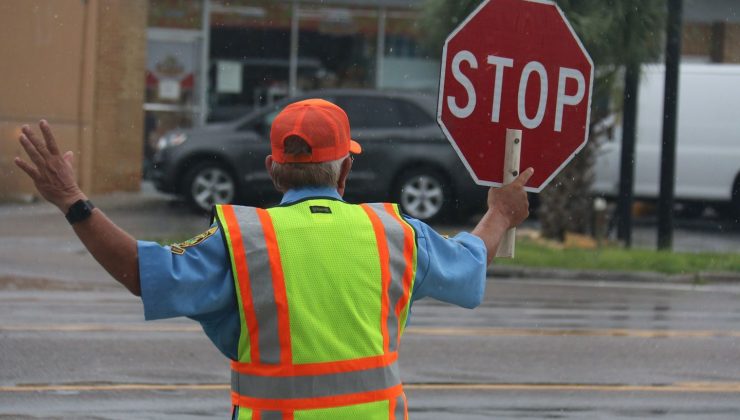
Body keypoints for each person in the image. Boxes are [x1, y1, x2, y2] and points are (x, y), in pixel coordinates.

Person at [14, 98, 532, 419]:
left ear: (272, 169)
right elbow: (469, 269)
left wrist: (73, 202)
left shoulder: (241, 241)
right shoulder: (396, 233)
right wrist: (500, 215)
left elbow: (141, 272)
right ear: (346, 171)